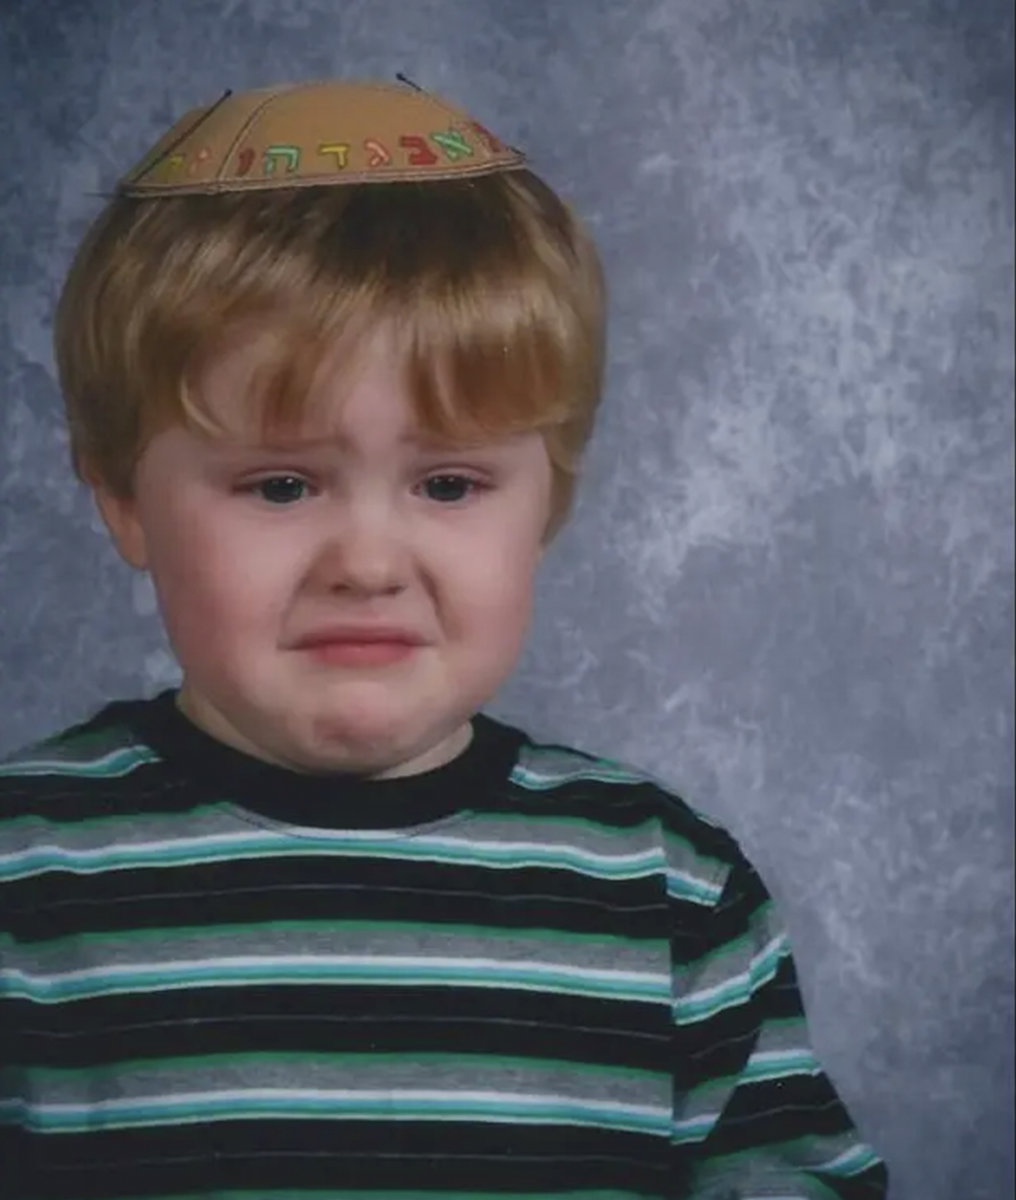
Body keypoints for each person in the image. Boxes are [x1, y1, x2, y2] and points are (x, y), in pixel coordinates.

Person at [0, 79, 887, 1198]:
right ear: (123, 498)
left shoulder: (666, 895)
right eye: (281, 485)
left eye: (449, 483)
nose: (369, 563)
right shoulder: (27, 880)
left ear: (549, 501)